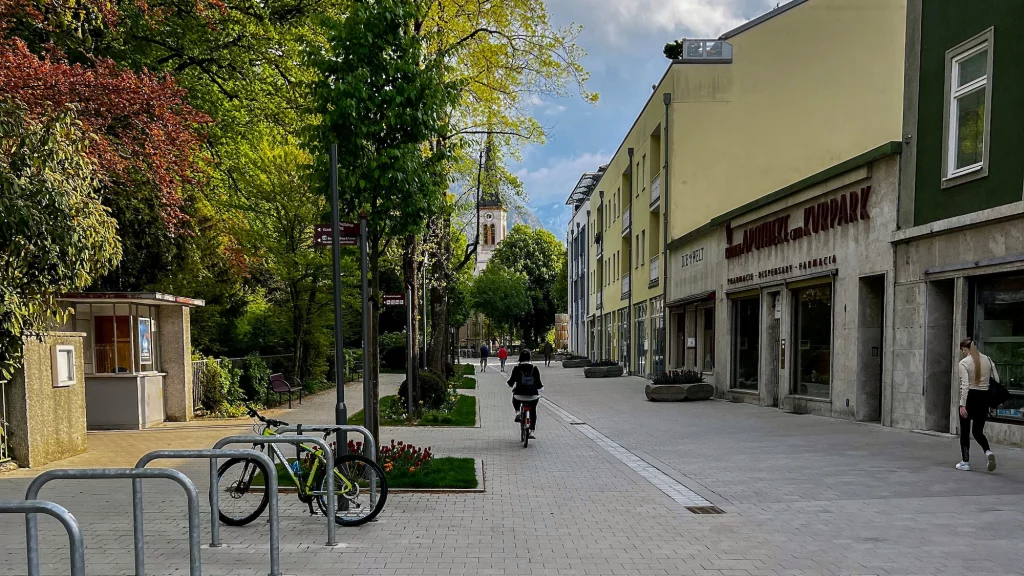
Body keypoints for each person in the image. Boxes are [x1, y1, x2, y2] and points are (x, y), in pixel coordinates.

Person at [955, 338, 998, 472]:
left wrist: (962, 404)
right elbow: (996, 380)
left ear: (964, 349)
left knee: (965, 431)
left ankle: (965, 462)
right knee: (978, 431)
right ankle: (987, 452)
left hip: (970, 397)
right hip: (984, 397)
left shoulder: (964, 363)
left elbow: (965, 385)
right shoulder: (988, 360)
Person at [507, 350, 543, 437]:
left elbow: (511, 382)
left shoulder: (516, 369)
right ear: (530, 358)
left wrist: (510, 385)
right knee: (533, 410)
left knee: (514, 397)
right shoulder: (534, 369)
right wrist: (540, 389)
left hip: (519, 395)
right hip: (532, 396)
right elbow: (539, 384)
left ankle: (518, 412)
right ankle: (532, 431)